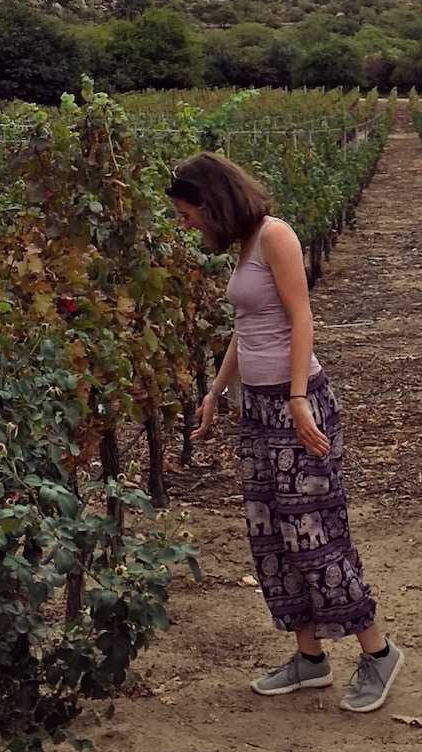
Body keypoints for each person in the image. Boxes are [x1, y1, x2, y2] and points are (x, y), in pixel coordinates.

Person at [167, 151, 403, 713]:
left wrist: (298, 398)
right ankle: (310, 659)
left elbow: (301, 317)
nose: (187, 225)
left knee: (315, 534)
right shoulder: (245, 247)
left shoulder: (276, 236)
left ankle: (379, 653)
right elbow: (246, 328)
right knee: (272, 535)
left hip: (297, 405)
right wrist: (217, 390)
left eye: (188, 213)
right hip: (258, 409)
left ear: (213, 201)